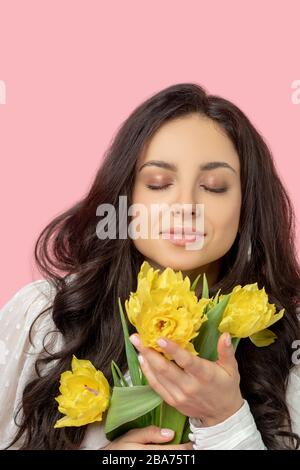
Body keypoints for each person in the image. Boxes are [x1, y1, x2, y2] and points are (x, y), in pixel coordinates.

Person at [1, 83, 300, 450]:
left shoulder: (287, 343)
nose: (185, 205)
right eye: (158, 183)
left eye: (214, 186)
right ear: (125, 197)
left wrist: (226, 420)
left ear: (246, 208)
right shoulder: (47, 316)